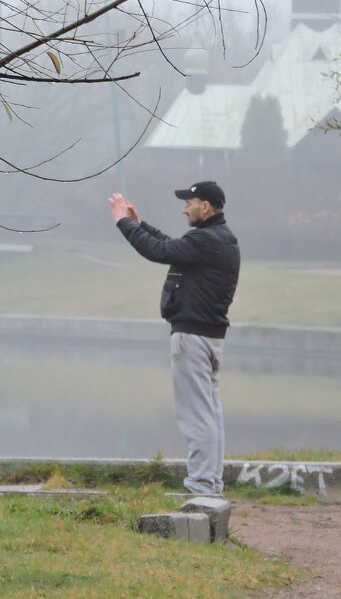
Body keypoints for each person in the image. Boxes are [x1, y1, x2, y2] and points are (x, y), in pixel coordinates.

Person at [108, 181, 240, 495]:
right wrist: (141, 225)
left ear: (205, 206)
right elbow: (172, 247)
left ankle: (202, 486)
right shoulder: (217, 238)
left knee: (195, 417)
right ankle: (211, 482)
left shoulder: (206, 239)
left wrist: (123, 223)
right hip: (208, 337)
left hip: (192, 338)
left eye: (189, 202)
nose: (184, 208)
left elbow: (159, 251)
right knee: (209, 415)